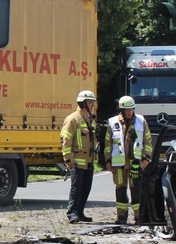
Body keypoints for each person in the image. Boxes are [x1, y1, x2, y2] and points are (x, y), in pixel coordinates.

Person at [106, 96, 152, 225]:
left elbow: (147, 141)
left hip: (135, 163)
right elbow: (108, 143)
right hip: (119, 164)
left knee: (136, 190)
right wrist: (108, 161)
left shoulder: (141, 121)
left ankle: (139, 217)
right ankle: (121, 217)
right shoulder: (112, 122)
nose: (129, 112)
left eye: (131, 109)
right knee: (120, 190)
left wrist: (146, 159)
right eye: (127, 110)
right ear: (121, 110)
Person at [61, 90, 98, 224]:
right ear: (83, 103)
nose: (92, 105)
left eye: (93, 102)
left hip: (89, 161)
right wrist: (68, 160)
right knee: (76, 188)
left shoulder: (90, 119)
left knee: (86, 188)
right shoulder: (73, 119)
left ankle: (80, 212)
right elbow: (66, 141)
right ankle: (72, 213)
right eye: (90, 102)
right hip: (77, 162)